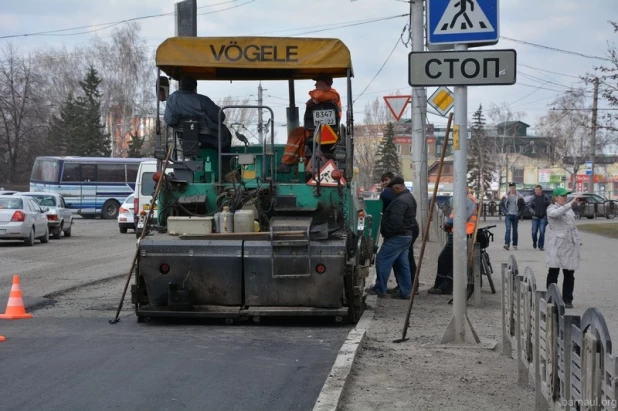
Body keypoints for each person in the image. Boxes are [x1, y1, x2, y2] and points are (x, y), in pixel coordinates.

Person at [278, 75, 342, 173]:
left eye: (318, 82)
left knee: (297, 135)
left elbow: (318, 96)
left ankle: (288, 162)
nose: (315, 84)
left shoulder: (333, 94)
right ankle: (291, 162)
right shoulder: (324, 97)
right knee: (297, 133)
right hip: (315, 130)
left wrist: (312, 95)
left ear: (325, 84)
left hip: (329, 130)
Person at [366, 176, 416, 299]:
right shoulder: (409, 197)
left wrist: (387, 233)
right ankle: (405, 291)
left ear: (397, 188)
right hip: (406, 235)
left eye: (392, 190)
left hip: (397, 236)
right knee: (402, 264)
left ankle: (380, 289)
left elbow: (395, 221)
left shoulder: (400, 201)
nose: (392, 193)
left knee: (382, 259)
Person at [429, 187, 478, 295]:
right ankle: (440, 285)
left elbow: (460, 216)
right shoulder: (465, 199)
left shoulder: (466, 200)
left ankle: (445, 287)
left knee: (446, 260)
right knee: (448, 260)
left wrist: (449, 223)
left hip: (461, 234)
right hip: (459, 233)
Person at [163, 74, 231, 150]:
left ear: (181, 86)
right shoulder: (202, 100)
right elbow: (220, 117)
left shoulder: (172, 99)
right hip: (207, 137)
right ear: (195, 87)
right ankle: (223, 161)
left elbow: (169, 120)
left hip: (184, 138)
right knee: (226, 135)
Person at [545, 188, 582, 309]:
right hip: (557, 245)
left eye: (566, 196)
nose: (565, 197)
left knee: (569, 273)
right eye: (562, 196)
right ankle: (551, 297)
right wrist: (570, 203)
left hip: (569, 246)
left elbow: (572, 227)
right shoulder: (551, 208)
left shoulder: (569, 209)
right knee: (553, 272)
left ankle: (568, 299)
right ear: (556, 197)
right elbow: (556, 213)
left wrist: (577, 240)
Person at [499, 183, 525, 250]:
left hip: (515, 215)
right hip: (508, 215)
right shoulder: (505, 196)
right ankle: (507, 244)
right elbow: (501, 205)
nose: (512, 189)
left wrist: (519, 213)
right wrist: (505, 212)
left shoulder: (519, 196)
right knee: (508, 229)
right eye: (511, 188)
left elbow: (523, 206)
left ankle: (515, 244)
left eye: (513, 188)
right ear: (509, 188)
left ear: (515, 188)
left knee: (515, 230)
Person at [529, 185, 550, 251]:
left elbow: (549, 206)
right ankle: (534, 242)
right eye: (535, 190)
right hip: (535, 217)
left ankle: (541, 245)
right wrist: (533, 212)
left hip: (543, 217)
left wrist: (547, 214)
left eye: (538, 189)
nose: (536, 191)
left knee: (542, 232)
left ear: (541, 190)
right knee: (534, 232)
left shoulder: (545, 197)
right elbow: (529, 206)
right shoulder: (533, 198)